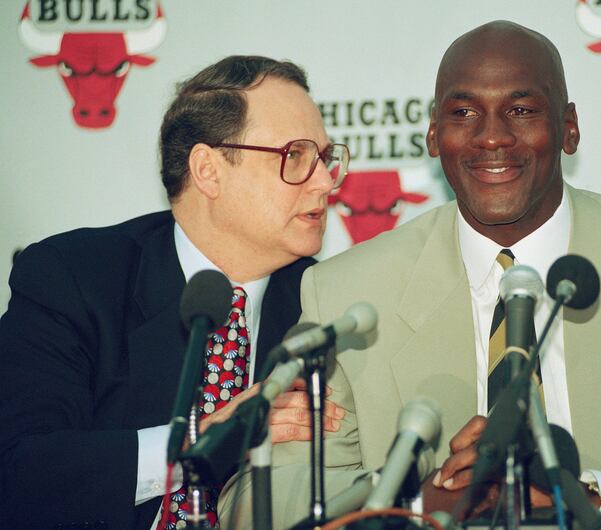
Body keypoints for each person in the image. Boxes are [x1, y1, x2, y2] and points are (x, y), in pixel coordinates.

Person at [220, 22, 601, 530]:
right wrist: (413, 502)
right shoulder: (348, 292)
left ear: (570, 129)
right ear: (431, 136)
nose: (491, 136)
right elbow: (254, 500)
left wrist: (596, 494)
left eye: (521, 110)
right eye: (463, 112)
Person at [0, 56, 350, 529]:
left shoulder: (333, 305)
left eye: (326, 159)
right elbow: (19, 468)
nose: (326, 182)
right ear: (208, 170)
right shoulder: (74, 278)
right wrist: (195, 444)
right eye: (296, 156)